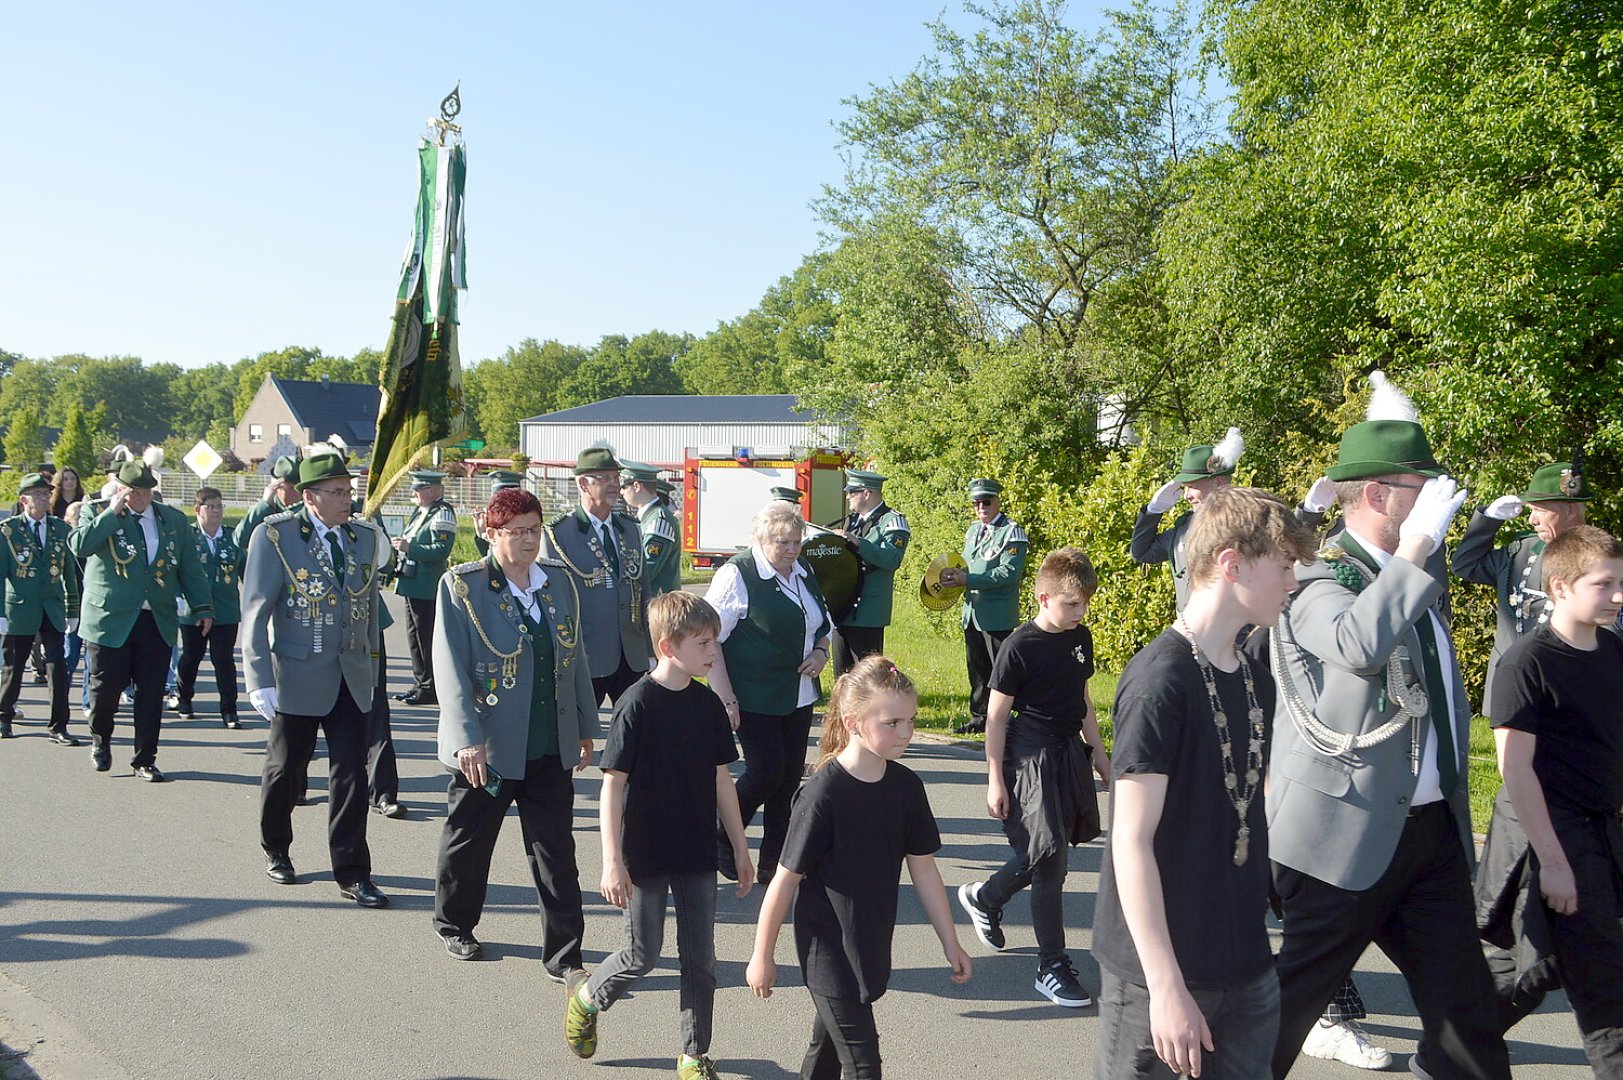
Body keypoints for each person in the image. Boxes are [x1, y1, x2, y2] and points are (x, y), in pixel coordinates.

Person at [1266, 372, 1510, 1079]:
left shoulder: (1413, 576)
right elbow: (1353, 646)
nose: (1435, 502)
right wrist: (1413, 553)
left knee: (1466, 1015)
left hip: (1426, 831)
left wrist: (1416, 556)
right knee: (1283, 1013)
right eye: (1419, 488)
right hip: (1340, 836)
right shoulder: (1315, 574)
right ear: (1376, 496)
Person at [1092, 487, 1317, 1079]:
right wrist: (1166, 989)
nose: (1292, 583)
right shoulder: (1158, 683)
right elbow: (1130, 841)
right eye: (1285, 566)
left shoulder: (1253, 675)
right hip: (1158, 977)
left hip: (1245, 968)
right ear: (1231, 562)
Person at [745, 656, 972, 1078]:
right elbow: (784, 880)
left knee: (828, 1050)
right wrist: (762, 955)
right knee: (863, 1065)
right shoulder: (822, 795)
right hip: (827, 949)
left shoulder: (906, 788)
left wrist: (950, 942)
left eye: (910, 720)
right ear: (852, 723)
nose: (905, 732)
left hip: (869, 940)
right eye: (891, 723)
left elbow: (924, 870)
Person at [563, 592, 753, 1078]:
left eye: (715, 641)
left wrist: (739, 845)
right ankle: (588, 996)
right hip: (644, 852)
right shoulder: (637, 704)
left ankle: (693, 1054)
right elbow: (613, 787)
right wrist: (612, 861)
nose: (714, 651)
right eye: (704, 642)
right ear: (669, 647)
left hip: (695, 851)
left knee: (701, 960)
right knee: (642, 954)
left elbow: (721, 780)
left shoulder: (707, 704)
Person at [1465, 524, 1623, 1077]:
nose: (1618, 595)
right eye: (1604, 585)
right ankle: (1447, 1054)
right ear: (1559, 587)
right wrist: (1555, 863)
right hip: (1545, 836)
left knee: (1531, 973)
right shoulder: (1527, 662)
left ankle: (1447, 1054)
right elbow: (1515, 772)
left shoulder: (1613, 650)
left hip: (1597, 831)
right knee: (1600, 982)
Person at [431, 486, 599, 976]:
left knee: (556, 852)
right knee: (469, 841)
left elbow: (575, 661)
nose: (527, 541)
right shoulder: (463, 586)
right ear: (491, 532)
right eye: (516, 532)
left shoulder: (559, 584)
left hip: (548, 742)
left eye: (533, 530)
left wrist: (586, 727)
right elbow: (451, 667)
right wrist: (466, 738)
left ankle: (566, 956)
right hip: (489, 745)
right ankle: (455, 925)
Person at [956, 546, 1109, 1008]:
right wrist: (995, 780)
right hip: (1028, 754)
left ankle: (986, 896)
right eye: (1070, 604)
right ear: (1044, 597)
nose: (1079, 612)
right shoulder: (1020, 646)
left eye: (1083, 604)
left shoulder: (1079, 637)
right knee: (1049, 860)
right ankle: (1052, 966)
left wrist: (1100, 755)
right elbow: (997, 718)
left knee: (1050, 849)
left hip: (1067, 752)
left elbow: (1082, 699)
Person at [242, 444, 389, 908]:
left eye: (350, 490)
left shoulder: (362, 537)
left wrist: (373, 667)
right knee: (286, 769)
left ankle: (352, 870)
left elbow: (367, 609)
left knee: (350, 773)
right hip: (298, 672)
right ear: (310, 496)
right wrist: (258, 676)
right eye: (338, 492)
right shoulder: (276, 537)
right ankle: (276, 847)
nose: (349, 499)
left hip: (351, 673)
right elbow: (255, 609)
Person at [705, 500, 832, 883]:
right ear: (760, 539)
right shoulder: (737, 574)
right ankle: (721, 836)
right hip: (752, 694)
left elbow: (823, 622)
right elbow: (709, 641)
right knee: (765, 773)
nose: (791, 550)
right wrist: (725, 698)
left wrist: (822, 652)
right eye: (782, 542)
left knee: (789, 779)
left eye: (797, 541)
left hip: (797, 693)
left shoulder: (803, 570)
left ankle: (775, 863)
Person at [71, 452, 213, 781]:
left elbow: (189, 567)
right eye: (133, 491)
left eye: (145, 491)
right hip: (110, 618)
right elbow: (79, 545)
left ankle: (144, 758)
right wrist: (110, 512)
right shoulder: (96, 512)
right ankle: (101, 739)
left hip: (155, 618)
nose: (139, 498)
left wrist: (203, 606)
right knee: (104, 690)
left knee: (151, 693)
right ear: (119, 488)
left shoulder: (172, 520)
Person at [1451, 459, 1594, 715]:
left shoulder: (1604, 561)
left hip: (1571, 690)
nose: (1531, 520)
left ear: (1570, 510)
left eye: (1539, 510)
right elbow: (1466, 565)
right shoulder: (1521, 552)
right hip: (1512, 686)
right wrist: (1489, 520)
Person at [539, 447, 652, 707]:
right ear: (583, 483)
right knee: (580, 736)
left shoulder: (629, 529)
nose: (614, 484)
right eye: (605, 478)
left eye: (616, 478)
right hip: (587, 655)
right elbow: (553, 602)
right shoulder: (559, 534)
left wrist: (650, 649)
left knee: (636, 734)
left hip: (631, 655)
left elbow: (643, 589)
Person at [937, 478, 1028, 736]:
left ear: (998, 501)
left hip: (997, 614)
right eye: (976, 503)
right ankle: (979, 717)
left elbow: (1009, 573)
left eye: (986, 502)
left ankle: (1007, 719)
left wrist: (969, 580)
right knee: (977, 670)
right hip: (973, 613)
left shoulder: (1012, 532)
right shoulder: (973, 531)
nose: (981, 508)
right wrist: (953, 575)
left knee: (1002, 671)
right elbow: (968, 565)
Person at [0, 473, 81, 744]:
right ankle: (4, 716)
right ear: (24, 500)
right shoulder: (9, 531)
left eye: (46, 494)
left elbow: (70, 572)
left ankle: (59, 725)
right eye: (37, 494)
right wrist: (0, 614)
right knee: (14, 667)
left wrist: (72, 609)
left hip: (53, 608)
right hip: (20, 609)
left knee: (57, 668)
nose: (44, 498)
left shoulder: (60, 529)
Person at [172, 487, 243, 729]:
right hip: (194, 609)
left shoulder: (232, 538)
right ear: (198, 510)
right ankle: (184, 698)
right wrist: (179, 597)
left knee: (223, 659)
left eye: (219, 506)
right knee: (192, 656)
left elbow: (246, 572)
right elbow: (176, 570)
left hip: (225, 610)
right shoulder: (188, 537)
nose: (216, 511)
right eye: (210, 507)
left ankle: (229, 710)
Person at [828, 469, 909, 678]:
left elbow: (892, 559)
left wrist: (858, 542)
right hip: (843, 606)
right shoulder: (852, 520)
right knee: (842, 673)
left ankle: (868, 711)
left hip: (868, 610)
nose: (847, 497)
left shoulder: (893, 521)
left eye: (852, 492)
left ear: (867, 493)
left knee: (867, 674)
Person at [391, 470, 458, 706]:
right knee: (414, 636)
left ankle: (430, 686)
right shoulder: (420, 512)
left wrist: (411, 547)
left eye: (419, 489)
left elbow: (441, 551)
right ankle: (420, 682)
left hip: (426, 583)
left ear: (433, 490)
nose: (414, 493)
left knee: (426, 636)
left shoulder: (443, 513)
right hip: (411, 582)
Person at [620, 459, 682, 598]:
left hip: (657, 607)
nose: (621, 492)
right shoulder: (649, 518)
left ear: (637, 486)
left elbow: (646, 570)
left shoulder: (659, 521)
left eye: (624, 487)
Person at [233, 455, 300, 550]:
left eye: (299, 488)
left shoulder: (308, 509)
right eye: (291, 489)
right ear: (276, 488)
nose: (297, 493)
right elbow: (241, 540)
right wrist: (265, 504)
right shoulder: (265, 509)